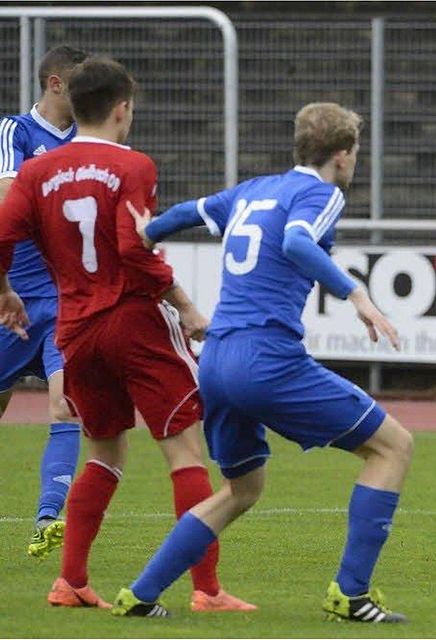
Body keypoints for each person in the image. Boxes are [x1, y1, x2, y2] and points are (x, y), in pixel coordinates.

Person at [110, 102, 413, 622]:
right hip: (265, 360)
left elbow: (190, 212)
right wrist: (355, 293)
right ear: (342, 156)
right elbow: (296, 240)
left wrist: (149, 231)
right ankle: (352, 593)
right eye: (354, 152)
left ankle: (140, 594)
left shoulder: (251, 191)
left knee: (242, 489)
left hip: (218, 359)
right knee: (393, 447)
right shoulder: (321, 193)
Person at [0, 55, 253, 612]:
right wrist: (185, 306)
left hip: (76, 327)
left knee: (104, 451)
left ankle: (70, 581)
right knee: (186, 452)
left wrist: (3, 291)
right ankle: (206, 591)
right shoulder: (133, 166)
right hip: (133, 320)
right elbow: (134, 252)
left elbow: (1, 230)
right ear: (122, 109)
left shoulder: (39, 171)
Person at [0, 45, 87, 559]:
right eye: (81, 87)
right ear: (55, 84)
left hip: (65, 304)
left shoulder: (89, 139)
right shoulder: (15, 132)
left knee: (65, 406)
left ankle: (48, 516)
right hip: (12, 301)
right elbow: (9, 200)